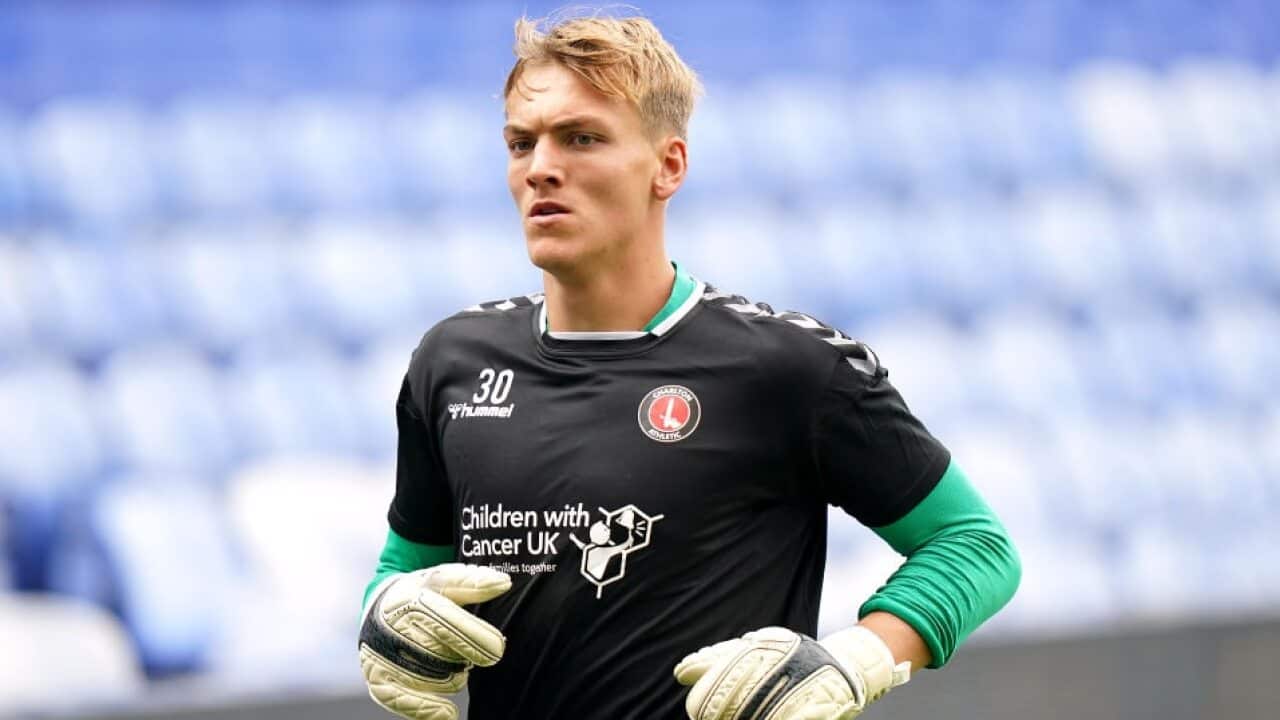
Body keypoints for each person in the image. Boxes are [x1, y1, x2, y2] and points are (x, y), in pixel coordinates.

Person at [357, 11, 1021, 720]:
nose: (541, 167)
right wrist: (385, 615)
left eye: (582, 138)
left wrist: (857, 659)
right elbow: (405, 567)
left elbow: (975, 546)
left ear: (668, 165)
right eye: (522, 143)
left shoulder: (789, 368)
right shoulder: (451, 362)